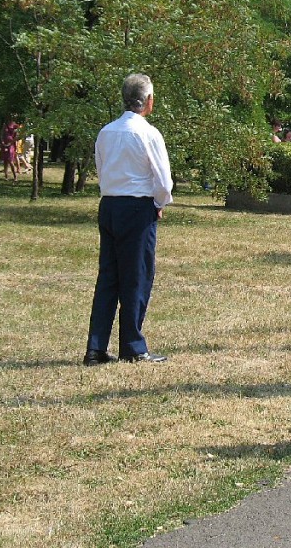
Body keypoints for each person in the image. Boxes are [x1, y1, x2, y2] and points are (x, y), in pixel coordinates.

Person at [84, 73, 173, 365]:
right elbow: (163, 180)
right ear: (148, 101)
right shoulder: (149, 133)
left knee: (108, 278)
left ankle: (96, 348)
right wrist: (159, 203)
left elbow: (101, 166)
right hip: (137, 208)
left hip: (109, 204)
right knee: (136, 277)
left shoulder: (106, 131)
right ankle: (133, 346)